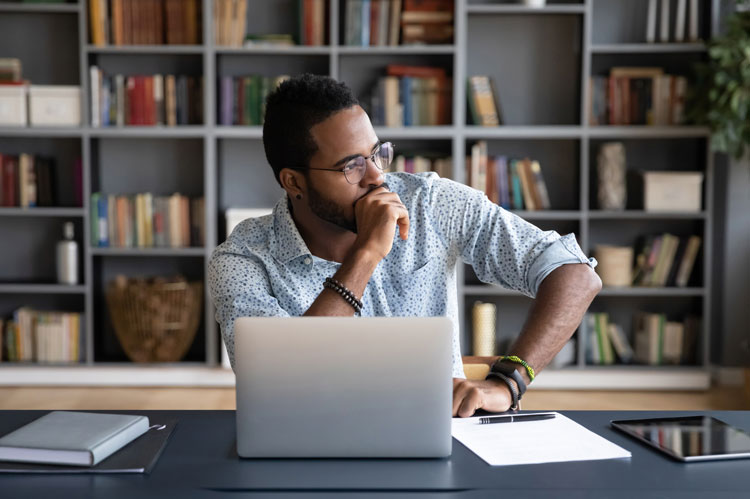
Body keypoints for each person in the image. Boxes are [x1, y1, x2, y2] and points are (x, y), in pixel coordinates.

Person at [208, 74, 601, 418]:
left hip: (443, 433)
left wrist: (510, 380)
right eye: (351, 166)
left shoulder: (430, 202)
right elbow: (275, 385)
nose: (378, 177)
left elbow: (576, 274)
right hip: (314, 447)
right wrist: (366, 254)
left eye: (377, 153)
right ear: (293, 182)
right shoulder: (242, 260)